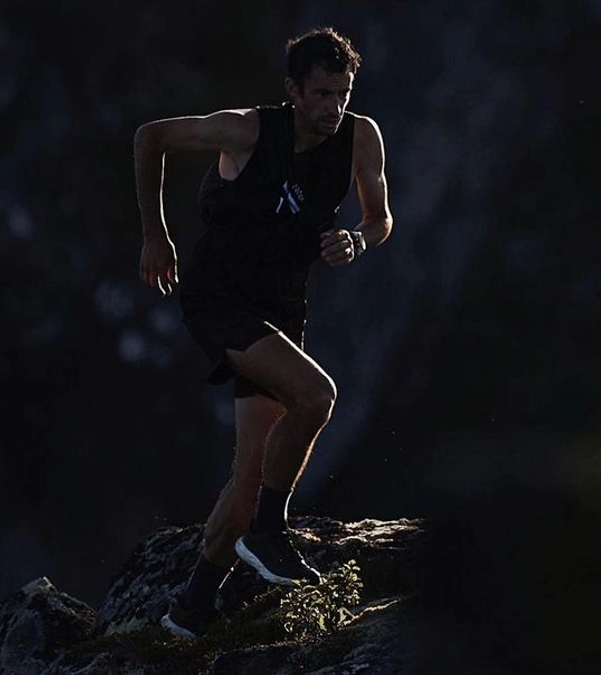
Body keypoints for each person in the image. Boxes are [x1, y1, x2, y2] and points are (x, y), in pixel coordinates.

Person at [132, 27, 393, 638]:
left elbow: (381, 216)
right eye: (322, 94)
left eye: (344, 93)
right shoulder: (248, 129)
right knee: (317, 395)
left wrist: (356, 238)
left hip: (280, 310)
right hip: (219, 299)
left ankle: (190, 609)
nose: (334, 107)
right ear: (293, 90)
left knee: (253, 468)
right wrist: (153, 233)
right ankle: (268, 533)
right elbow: (152, 138)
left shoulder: (361, 137)